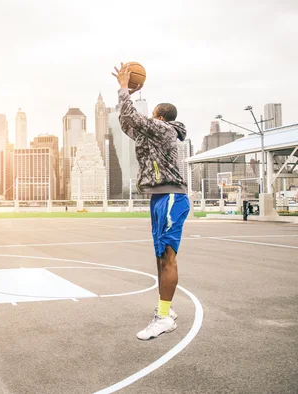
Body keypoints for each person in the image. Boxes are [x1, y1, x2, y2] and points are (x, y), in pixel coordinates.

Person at [112, 63, 190, 340]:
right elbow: (126, 122)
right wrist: (126, 95)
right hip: (160, 197)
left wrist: (124, 88)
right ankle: (165, 309)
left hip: (171, 196)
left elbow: (134, 118)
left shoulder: (163, 130)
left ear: (159, 117)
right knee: (160, 259)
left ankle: (164, 317)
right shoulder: (153, 132)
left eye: (153, 116)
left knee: (167, 260)